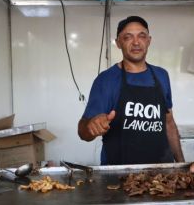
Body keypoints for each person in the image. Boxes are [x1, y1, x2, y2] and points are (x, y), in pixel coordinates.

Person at [78, 16, 185, 165]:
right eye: (128, 37)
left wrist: (181, 164)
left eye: (142, 36)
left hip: (162, 173)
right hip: (118, 176)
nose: (136, 42)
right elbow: (83, 131)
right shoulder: (106, 80)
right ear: (118, 43)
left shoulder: (161, 75)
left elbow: (169, 123)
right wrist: (91, 127)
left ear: (149, 40)